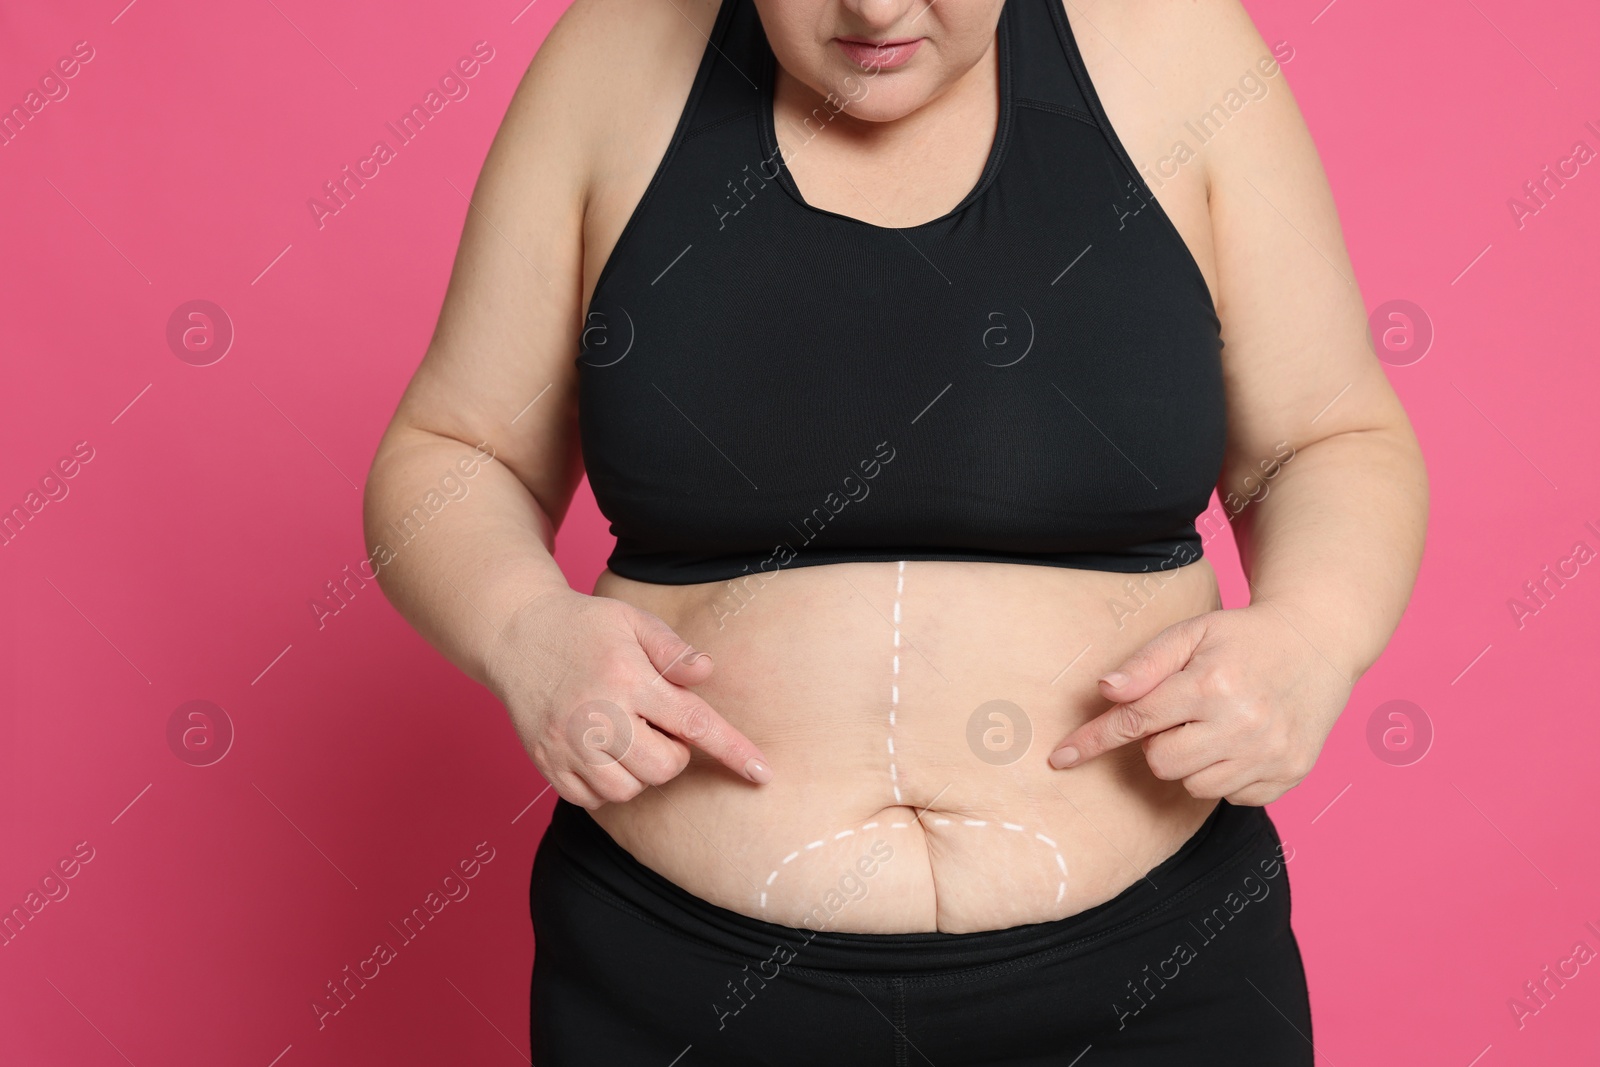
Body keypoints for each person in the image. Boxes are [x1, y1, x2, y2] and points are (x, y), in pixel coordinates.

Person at [364, 0, 1427, 1062]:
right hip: (681, 987)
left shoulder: (1176, 45)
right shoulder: (613, 54)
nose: (874, 7)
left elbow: (1327, 436)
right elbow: (457, 448)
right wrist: (518, 628)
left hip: (1154, 979)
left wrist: (1313, 634)